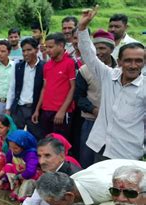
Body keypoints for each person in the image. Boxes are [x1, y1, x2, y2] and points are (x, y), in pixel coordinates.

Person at [78, 7, 145, 161]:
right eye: (128, 60)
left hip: (127, 153)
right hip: (100, 146)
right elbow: (89, 54)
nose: (133, 65)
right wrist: (82, 28)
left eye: (138, 61)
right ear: (119, 62)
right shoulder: (109, 75)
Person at [74, 29, 117, 168]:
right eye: (96, 48)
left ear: (111, 49)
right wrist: (93, 109)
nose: (99, 52)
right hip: (91, 122)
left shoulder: (120, 71)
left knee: (108, 162)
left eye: (103, 48)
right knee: (87, 159)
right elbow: (79, 97)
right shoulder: (84, 70)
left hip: (115, 124)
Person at [31, 33, 76, 139]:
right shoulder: (47, 65)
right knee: (46, 142)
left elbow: (73, 88)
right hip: (46, 111)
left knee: (59, 144)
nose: (48, 50)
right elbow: (44, 88)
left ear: (61, 46)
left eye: (51, 47)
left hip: (61, 112)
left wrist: (62, 111)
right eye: (47, 47)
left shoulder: (70, 63)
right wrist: (37, 109)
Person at [6, 38, 44, 140]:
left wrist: (37, 110)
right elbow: (12, 88)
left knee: (35, 138)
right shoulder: (18, 67)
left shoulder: (43, 67)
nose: (26, 53)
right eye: (23, 51)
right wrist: (8, 108)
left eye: (29, 50)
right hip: (19, 108)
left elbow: (44, 90)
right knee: (15, 138)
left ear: (36, 50)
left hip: (34, 109)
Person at [0, 130, 41, 201]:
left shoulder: (31, 154)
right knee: (8, 166)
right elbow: (7, 166)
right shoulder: (11, 152)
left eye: (16, 148)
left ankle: (27, 193)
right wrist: (3, 180)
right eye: (11, 147)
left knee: (21, 197)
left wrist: (19, 177)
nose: (13, 150)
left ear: (23, 146)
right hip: (18, 174)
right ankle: (16, 188)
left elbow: (31, 171)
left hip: (29, 176)